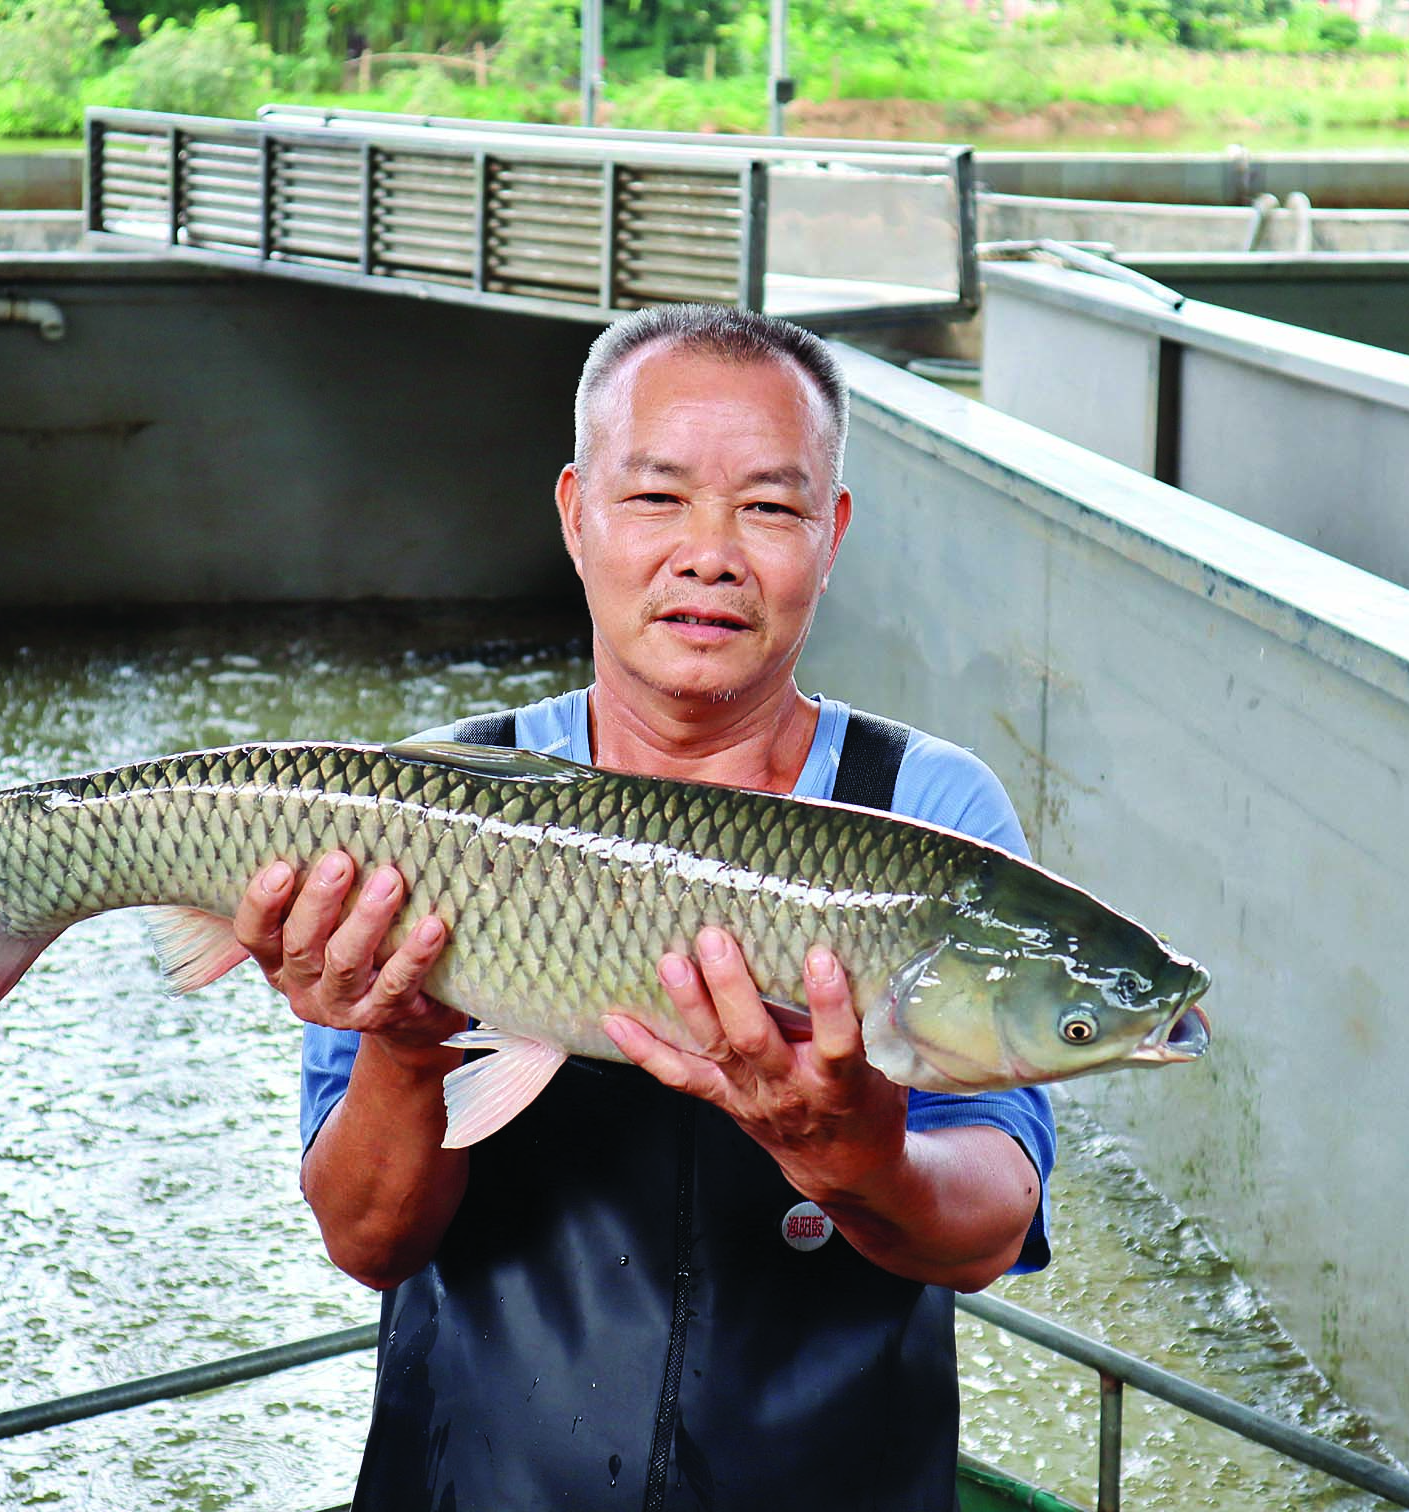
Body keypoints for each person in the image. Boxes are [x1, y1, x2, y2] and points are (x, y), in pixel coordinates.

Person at [232, 304, 1058, 1510]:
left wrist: (862, 1159)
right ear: (576, 516)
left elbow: (989, 1224)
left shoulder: (927, 813)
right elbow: (366, 1242)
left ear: (830, 536)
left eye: (767, 509)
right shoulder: (420, 807)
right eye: (658, 497)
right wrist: (404, 1045)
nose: (709, 555)